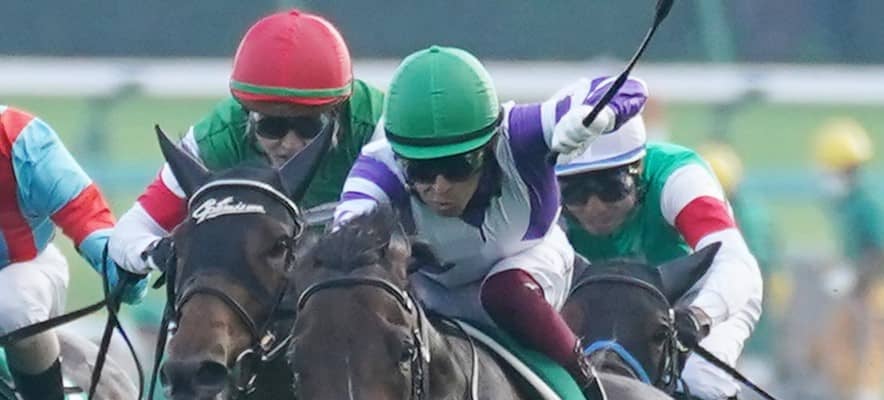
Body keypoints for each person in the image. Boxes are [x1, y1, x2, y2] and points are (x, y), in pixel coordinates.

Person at [332, 45, 647, 388]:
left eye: (458, 166)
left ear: (492, 144)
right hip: (433, 288)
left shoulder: (521, 134)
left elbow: (627, 87)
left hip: (528, 263)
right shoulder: (378, 169)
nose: (439, 187)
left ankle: (584, 381)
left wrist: (599, 114)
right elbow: (341, 244)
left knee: (504, 291)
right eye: (420, 170)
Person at [109, 9, 385, 274]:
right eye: (272, 126)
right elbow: (129, 233)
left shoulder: (377, 128)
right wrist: (165, 253)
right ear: (248, 116)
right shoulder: (216, 140)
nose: (289, 144)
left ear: (337, 113)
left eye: (308, 126)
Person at [555, 125, 763, 399]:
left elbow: (735, 263)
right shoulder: (544, 195)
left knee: (701, 379)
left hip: (693, 296)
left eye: (611, 189)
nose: (595, 207)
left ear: (639, 171)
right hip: (598, 302)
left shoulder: (679, 177)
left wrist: (698, 316)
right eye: (575, 193)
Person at [0, 105, 147, 400]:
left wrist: (122, 270)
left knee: (11, 307)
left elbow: (84, 213)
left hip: (23, 268)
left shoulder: (20, 136)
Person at [812, 117, 884, 399]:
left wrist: (854, 276)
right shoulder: (847, 204)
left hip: (873, 289)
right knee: (838, 345)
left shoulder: (867, 205)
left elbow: (878, 252)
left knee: (871, 345)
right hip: (859, 290)